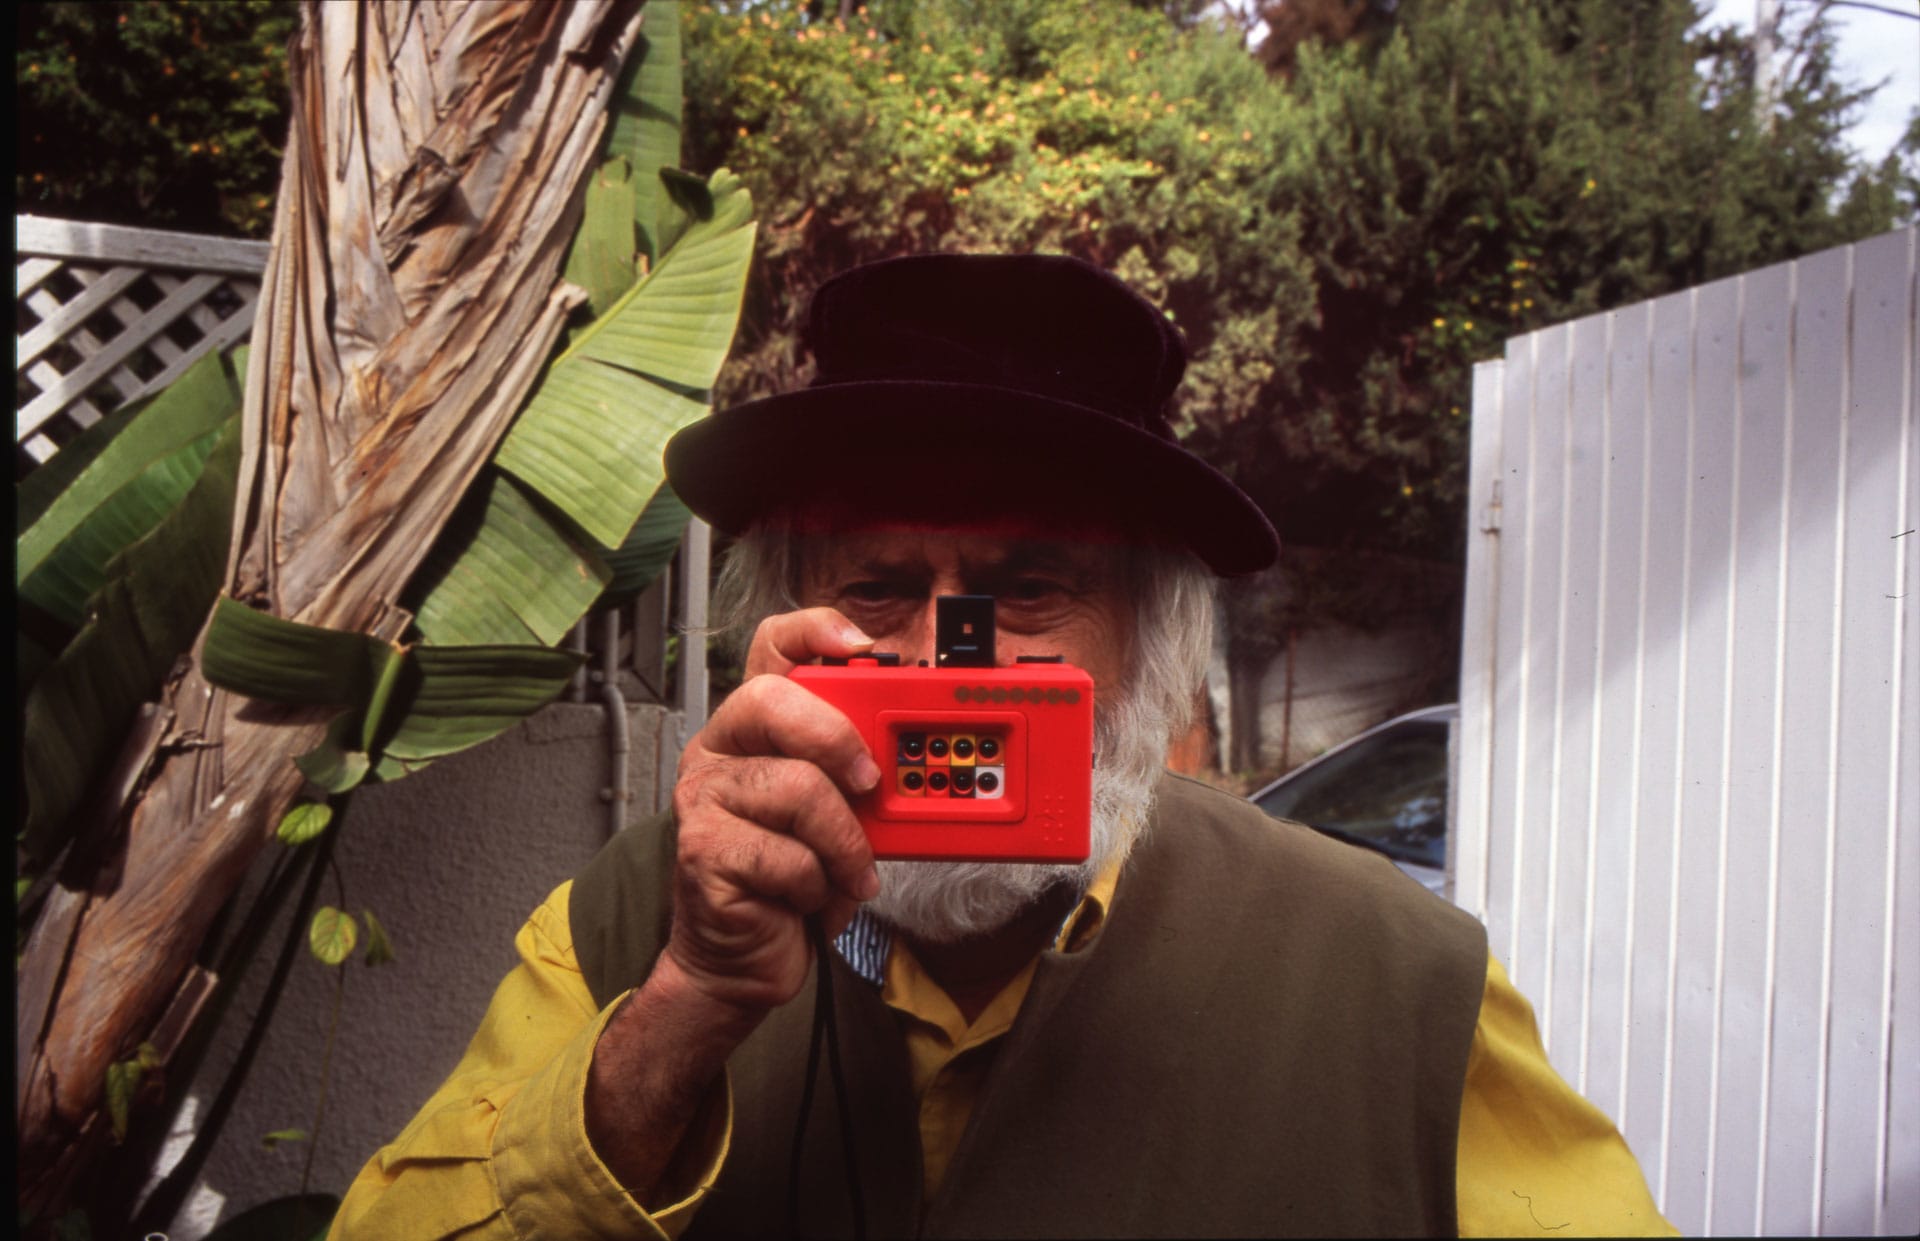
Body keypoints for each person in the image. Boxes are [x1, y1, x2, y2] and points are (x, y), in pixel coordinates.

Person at [332, 254, 1674, 1237]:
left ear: (1148, 648)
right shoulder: (630, 921)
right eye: (879, 588)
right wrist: (683, 1011)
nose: (940, 665)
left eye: (1026, 590)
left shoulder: (1399, 982)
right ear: (789, 621)